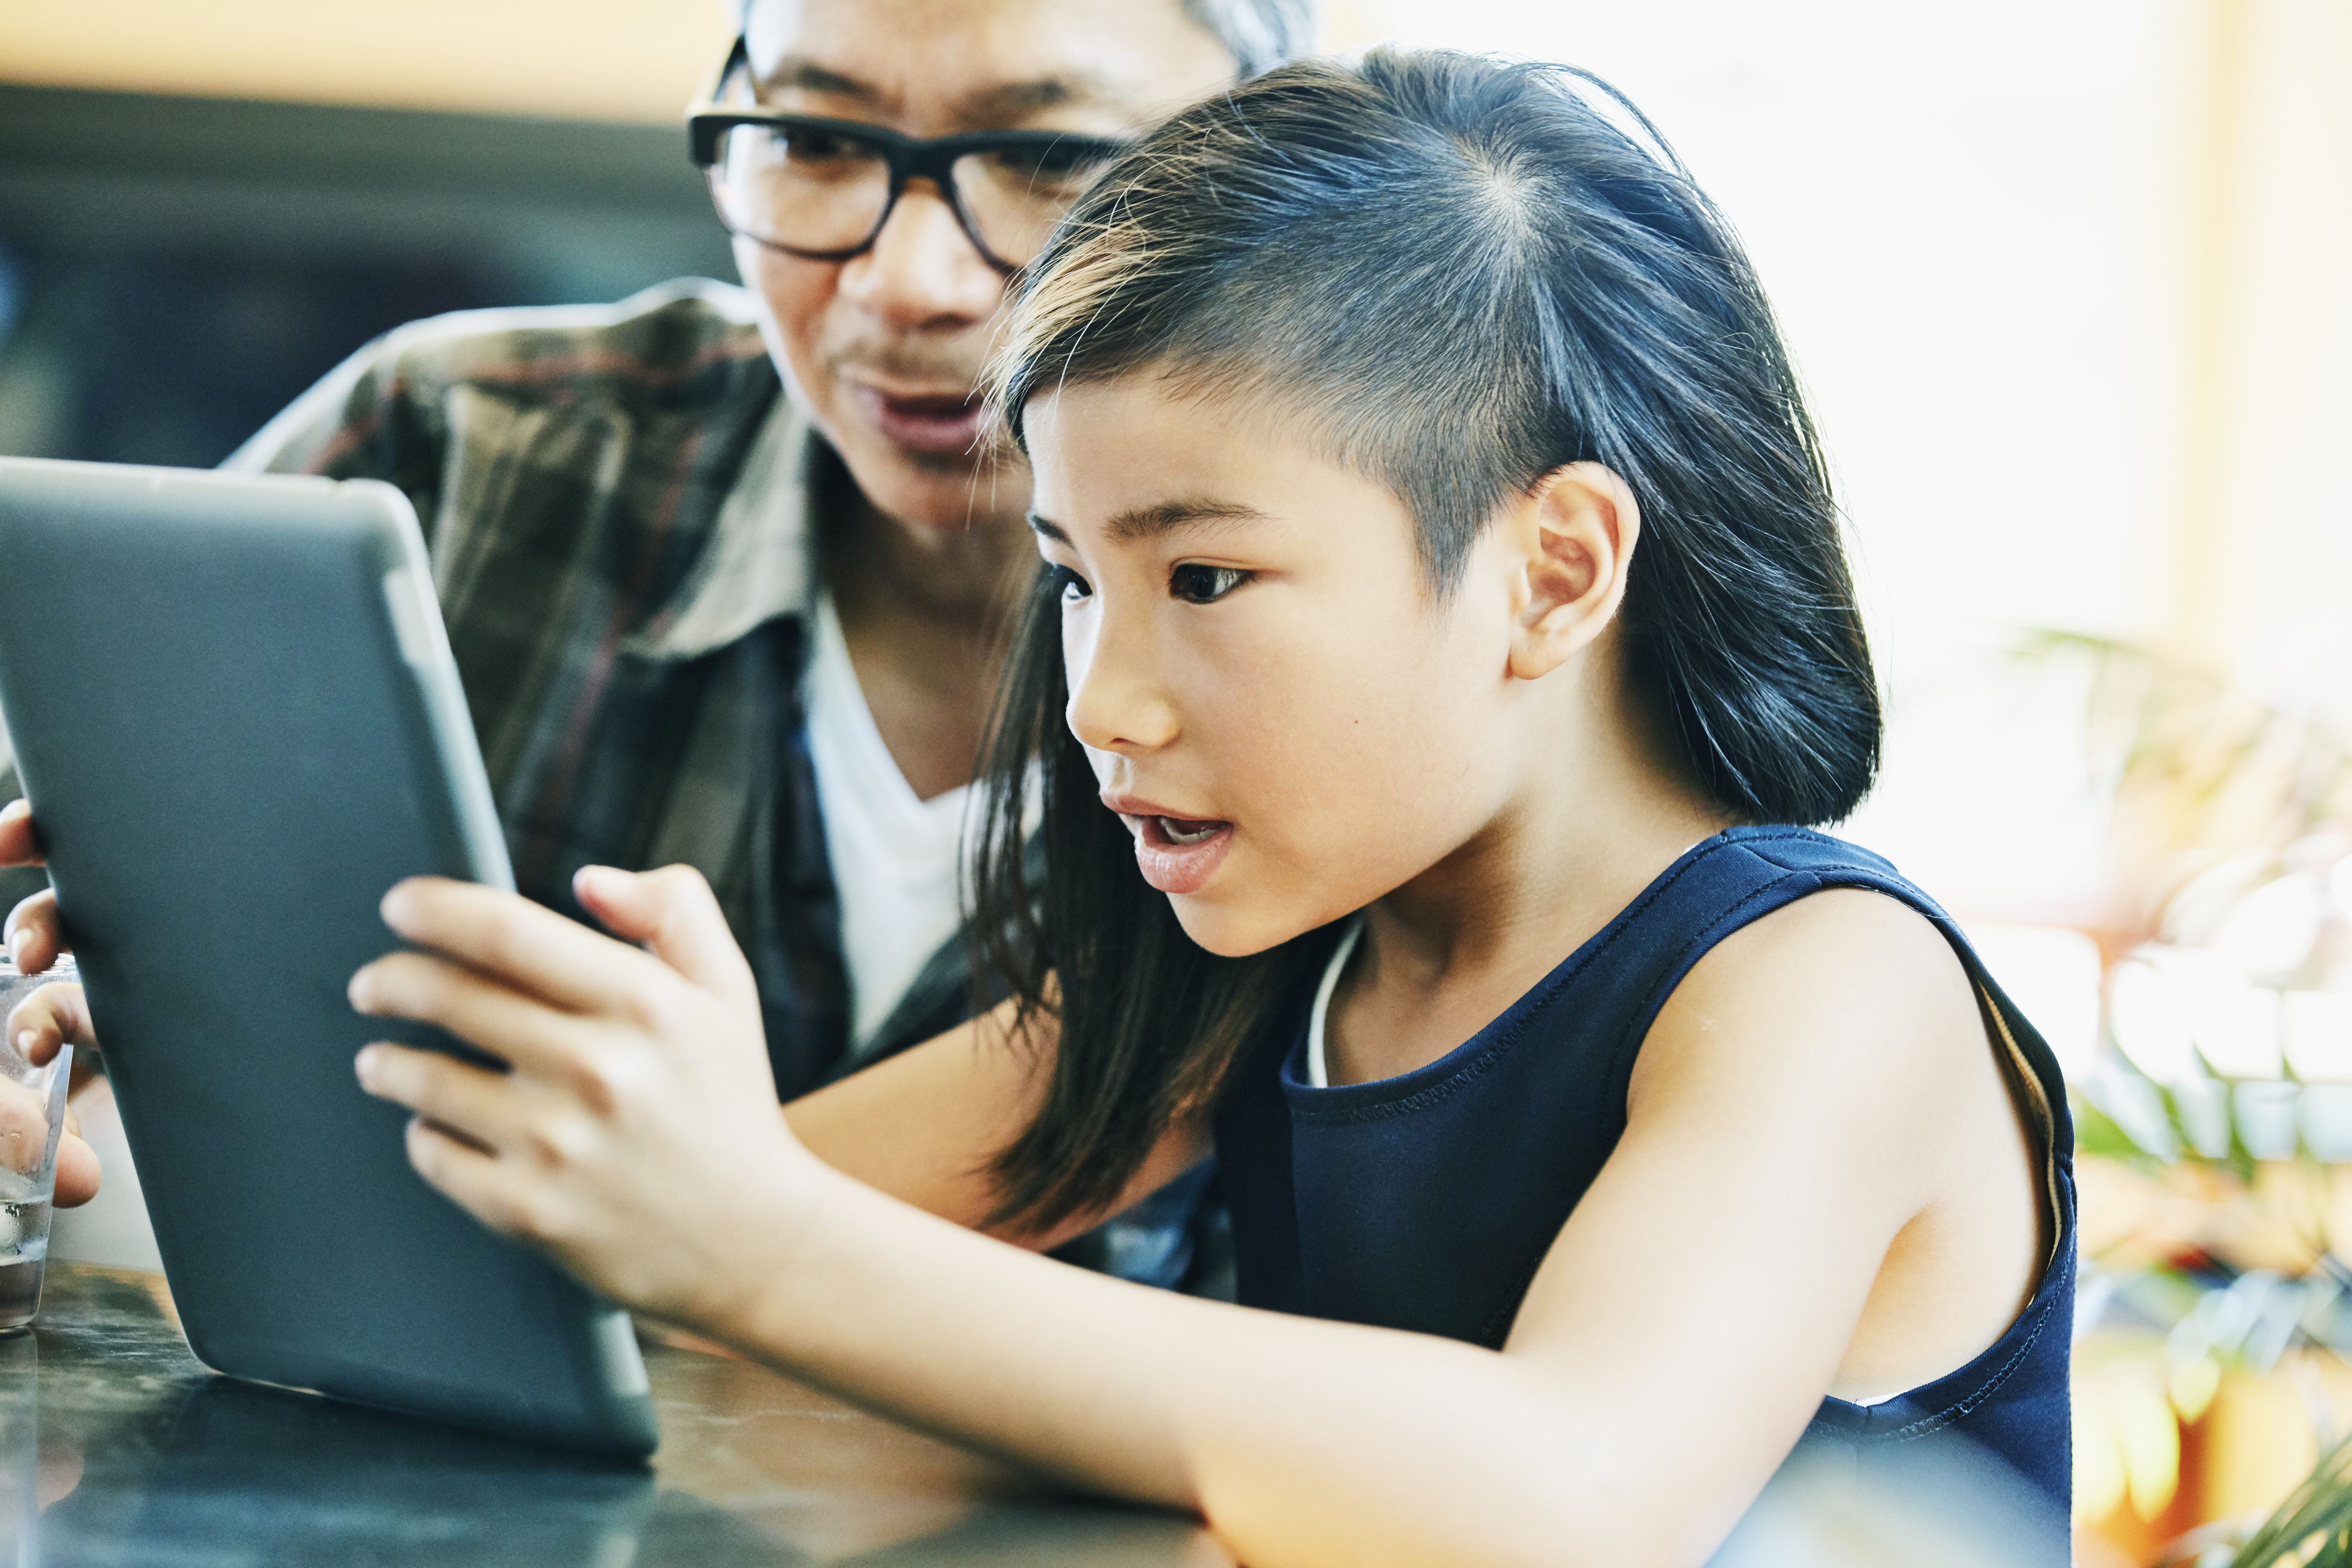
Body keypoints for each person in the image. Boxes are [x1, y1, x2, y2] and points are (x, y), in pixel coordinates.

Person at [12, 49, 2074, 1565]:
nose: (1096, 697)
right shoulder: (1278, 961)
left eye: (1204, 579)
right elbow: (631, 1261)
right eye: (1078, 580)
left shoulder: (1821, 983)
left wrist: (759, 1229)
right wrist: (193, 1064)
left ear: (1550, 570)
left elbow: (1556, 1491)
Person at [0, 0, 1313, 1279]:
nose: (904, 283)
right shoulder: (456, 456)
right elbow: (43, 890)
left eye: (1047, 160)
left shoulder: (1372, 651)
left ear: (1283, 155)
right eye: (812, 141)